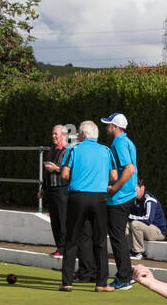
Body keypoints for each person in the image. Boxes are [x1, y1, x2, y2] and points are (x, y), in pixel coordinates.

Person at [60, 121, 114, 291]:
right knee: (100, 241)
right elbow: (113, 175)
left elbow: (64, 174)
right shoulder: (106, 150)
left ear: (82, 134)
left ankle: (67, 282)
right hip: (99, 198)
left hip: (78, 197)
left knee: (72, 240)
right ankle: (101, 283)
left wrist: (74, 178)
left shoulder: (74, 149)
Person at [102, 113, 138, 290]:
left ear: (115, 127)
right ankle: (125, 275)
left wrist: (114, 187)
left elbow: (129, 169)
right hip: (126, 195)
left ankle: (124, 277)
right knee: (118, 237)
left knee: (117, 238)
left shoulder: (119, 143)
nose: (106, 127)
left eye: (108, 124)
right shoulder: (127, 141)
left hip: (119, 197)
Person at [39, 125, 71, 259]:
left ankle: (64, 248)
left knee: (62, 219)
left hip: (62, 189)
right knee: (54, 221)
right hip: (51, 189)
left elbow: (70, 170)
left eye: (56, 134)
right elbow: (47, 173)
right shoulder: (52, 150)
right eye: (52, 134)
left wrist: (56, 168)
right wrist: (43, 188)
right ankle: (59, 246)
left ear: (63, 134)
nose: (53, 136)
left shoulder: (68, 151)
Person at [127, 182, 167, 259]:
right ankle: (128, 250)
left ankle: (139, 252)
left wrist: (129, 216)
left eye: (135, 189)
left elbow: (148, 220)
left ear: (142, 188)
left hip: (158, 231)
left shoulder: (149, 199)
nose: (133, 192)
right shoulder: (134, 199)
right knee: (124, 224)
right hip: (147, 229)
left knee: (135, 224)